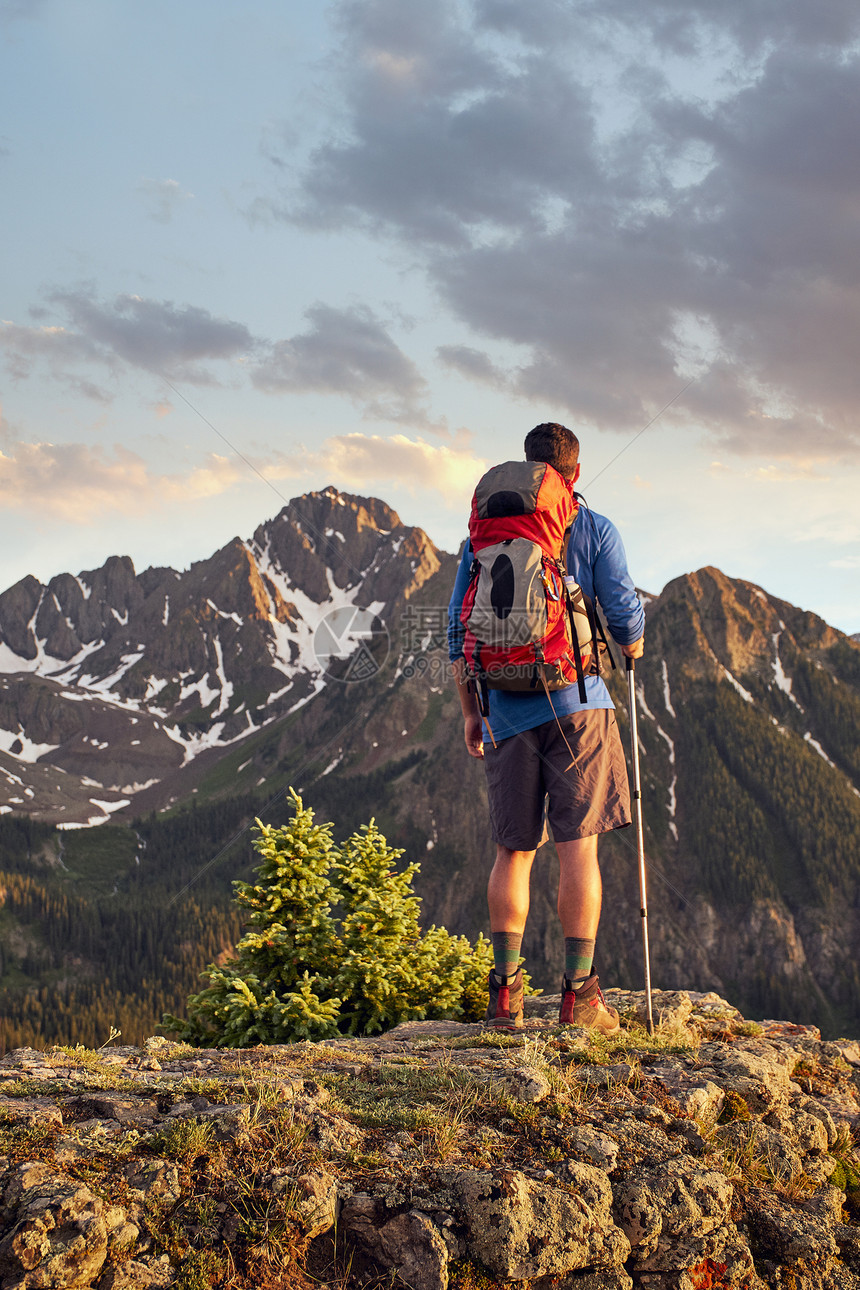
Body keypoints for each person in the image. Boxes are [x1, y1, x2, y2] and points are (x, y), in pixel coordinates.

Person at [448, 423, 645, 1032]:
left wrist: (471, 712)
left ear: (526, 469)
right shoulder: (592, 526)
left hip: (505, 707)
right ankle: (579, 996)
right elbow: (623, 615)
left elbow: (459, 634)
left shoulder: (482, 536)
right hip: (577, 706)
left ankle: (504, 998)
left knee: (513, 851)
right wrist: (632, 644)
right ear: (574, 474)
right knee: (576, 850)